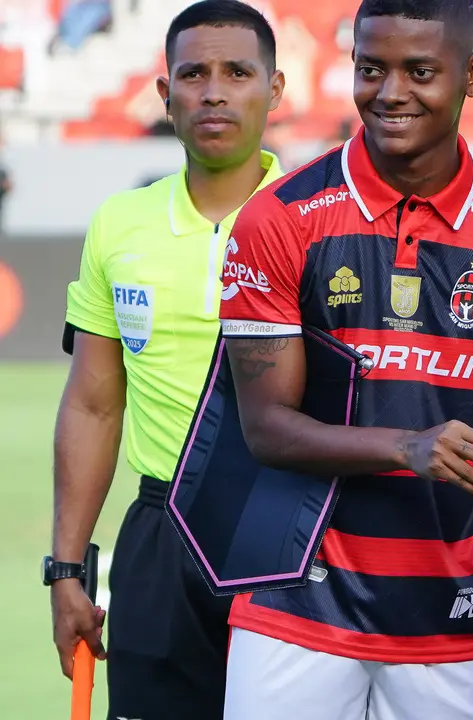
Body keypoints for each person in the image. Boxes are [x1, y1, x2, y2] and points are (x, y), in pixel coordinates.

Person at [214, 1, 473, 717]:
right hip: (294, 604)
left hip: (454, 614)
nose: (390, 93)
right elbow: (266, 428)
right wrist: (408, 446)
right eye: (371, 69)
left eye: (420, 71)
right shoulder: (279, 220)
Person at [46, 2, 285, 719]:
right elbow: (93, 401)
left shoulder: (321, 214)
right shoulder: (120, 223)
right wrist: (65, 569)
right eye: (194, 73)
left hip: (288, 532)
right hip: (160, 534)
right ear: (165, 94)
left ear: (275, 92)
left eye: (237, 72)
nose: (213, 91)